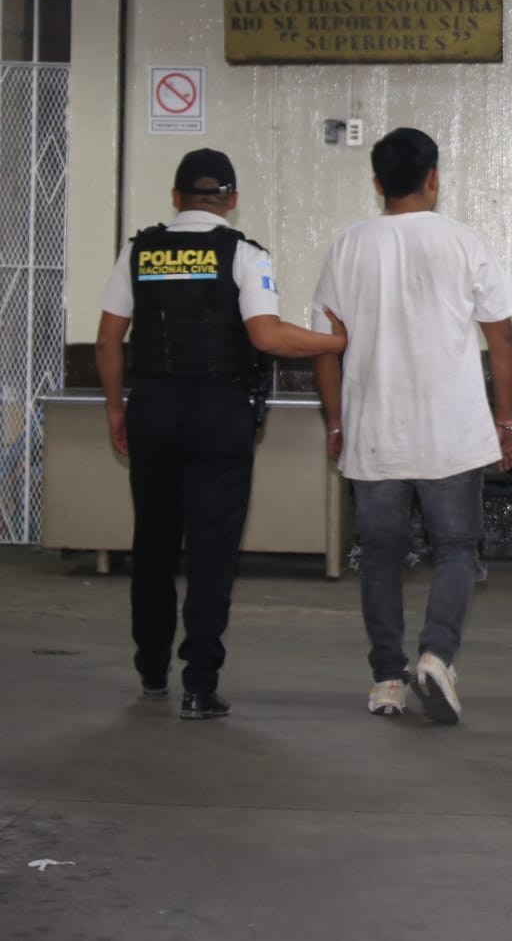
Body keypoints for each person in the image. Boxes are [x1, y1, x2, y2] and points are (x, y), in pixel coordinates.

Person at [94, 148, 347, 720]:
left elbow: (109, 341)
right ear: (231, 200)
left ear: (176, 197)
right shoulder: (243, 254)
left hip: (152, 406)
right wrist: (334, 343)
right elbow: (266, 336)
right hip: (219, 410)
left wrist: (116, 410)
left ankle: (151, 669)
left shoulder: (139, 252)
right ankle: (198, 685)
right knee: (211, 548)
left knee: (154, 542)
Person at [311, 127, 512, 725]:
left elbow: (327, 346)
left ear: (377, 183)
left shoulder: (348, 246)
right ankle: (436, 654)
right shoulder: (463, 242)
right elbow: (500, 337)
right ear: (434, 178)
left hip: (374, 430)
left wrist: (335, 421)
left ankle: (386, 679)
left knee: (379, 558)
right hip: (451, 432)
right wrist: (506, 420)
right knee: (456, 549)